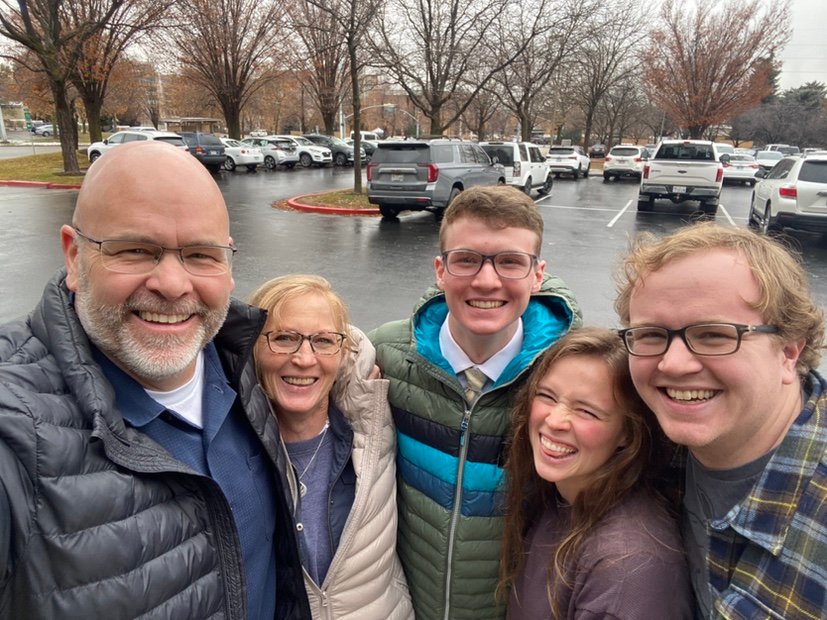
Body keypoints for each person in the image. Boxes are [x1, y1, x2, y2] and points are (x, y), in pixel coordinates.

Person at [0, 142, 310, 619]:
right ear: (73, 256)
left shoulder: (239, 366)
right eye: (136, 250)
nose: (172, 284)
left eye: (201, 254)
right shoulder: (15, 433)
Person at [369, 185, 582, 619]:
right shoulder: (385, 354)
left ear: (537, 275)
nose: (487, 281)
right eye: (466, 260)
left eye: (510, 262)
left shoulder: (577, 376)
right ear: (440, 270)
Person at [614, 222, 827, 618]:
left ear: (789, 352)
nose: (673, 364)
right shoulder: (641, 446)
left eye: (713, 335)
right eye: (650, 335)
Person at [247, 275, 413, 618]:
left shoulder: (374, 426)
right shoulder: (231, 447)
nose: (305, 358)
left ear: (343, 353)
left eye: (323, 341)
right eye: (284, 338)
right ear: (252, 346)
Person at [500, 327, 693, 619]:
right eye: (547, 396)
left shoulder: (627, 566)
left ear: (628, 433)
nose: (555, 420)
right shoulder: (561, 499)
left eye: (586, 411)